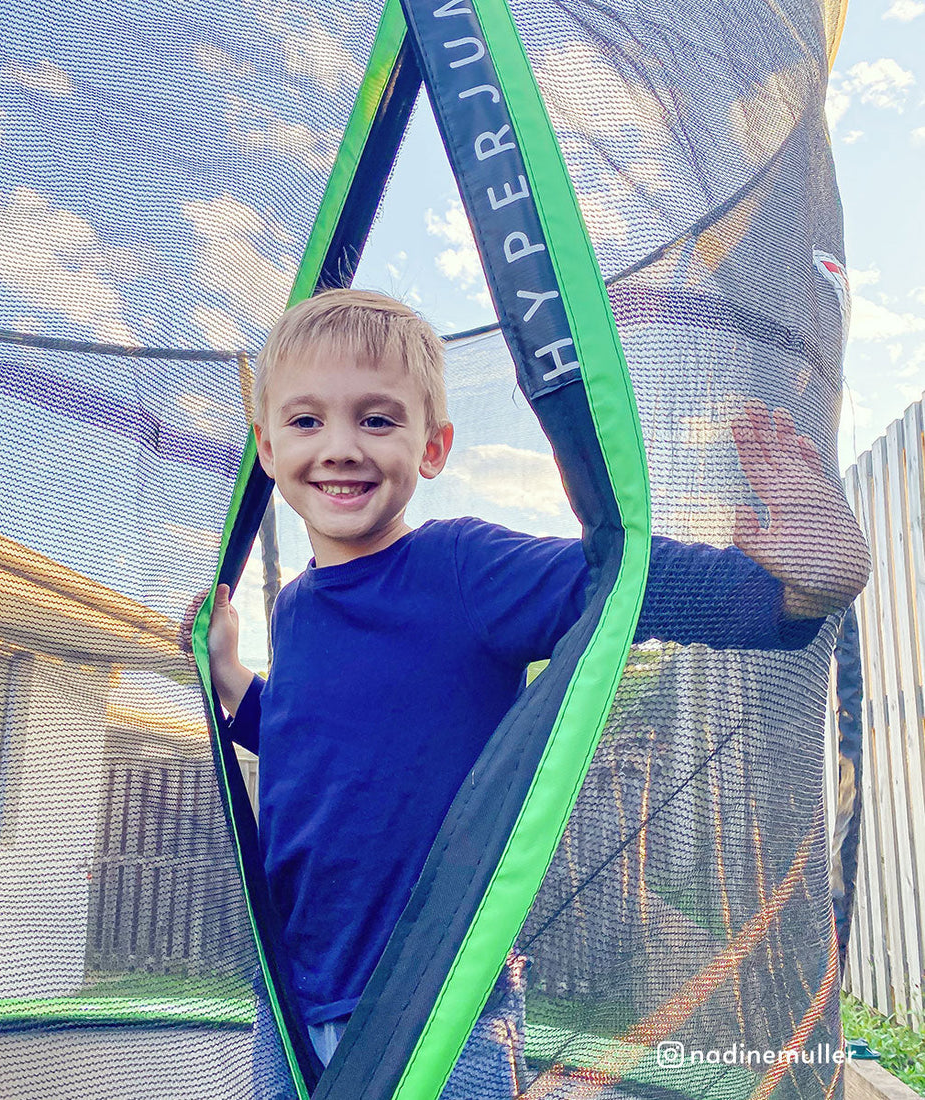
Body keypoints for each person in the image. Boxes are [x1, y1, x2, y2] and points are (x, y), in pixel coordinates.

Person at [183, 289, 869, 1089]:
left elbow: (612, 590)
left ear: (432, 447)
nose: (339, 447)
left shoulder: (462, 569)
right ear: (266, 449)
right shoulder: (296, 608)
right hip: (294, 989)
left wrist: (781, 592)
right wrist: (233, 676)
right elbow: (315, 740)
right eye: (306, 422)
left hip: (440, 1002)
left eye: (376, 420)